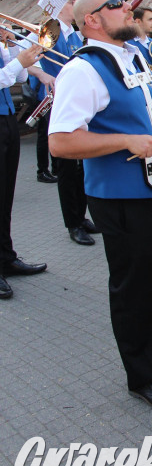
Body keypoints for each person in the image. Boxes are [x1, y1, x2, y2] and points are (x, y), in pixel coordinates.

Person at [48, 0, 152, 409]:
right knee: (133, 287)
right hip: (119, 195)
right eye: (116, 5)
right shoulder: (82, 70)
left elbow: (138, 108)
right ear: (92, 20)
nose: (127, 7)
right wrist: (126, 141)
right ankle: (142, 376)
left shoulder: (133, 54)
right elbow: (61, 142)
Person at [29, 0, 97, 246]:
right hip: (57, 102)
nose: (75, 5)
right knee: (68, 167)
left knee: (82, 166)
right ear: (57, 6)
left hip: (76, 101)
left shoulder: (75, 36)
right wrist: (43, 75)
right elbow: (25, 60)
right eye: (71, 2)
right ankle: (72, 223)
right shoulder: (48, 30)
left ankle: (81, 215)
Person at [0, 31, 48, 300]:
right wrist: (18, 60)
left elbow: (17, 78)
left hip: (6, 118)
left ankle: (6, 257)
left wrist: (13, 52)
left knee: (5, 194)